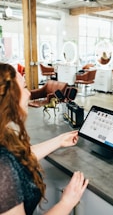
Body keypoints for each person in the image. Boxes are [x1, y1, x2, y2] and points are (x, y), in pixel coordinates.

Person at [0, 63, 89, 215]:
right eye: (25, 87)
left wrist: (60, 140)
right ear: (9, 97)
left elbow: (19, 157)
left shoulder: (4, 135)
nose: (29, 94)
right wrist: (66, 203)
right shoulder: (3, 168)